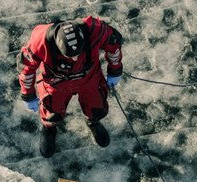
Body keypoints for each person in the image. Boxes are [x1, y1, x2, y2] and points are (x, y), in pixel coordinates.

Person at [17, 17, 124, 158]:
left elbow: (113, 46)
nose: (74, 59)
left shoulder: (95, 29)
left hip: (89, 78)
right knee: (51, 110)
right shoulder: (39, 41)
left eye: (77, 54)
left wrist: (115, 70)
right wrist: (28, 95)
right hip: (56, 83)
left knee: (97, 105)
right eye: (69, 56)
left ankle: (93, 120)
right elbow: (26, 70)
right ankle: (49, 128)